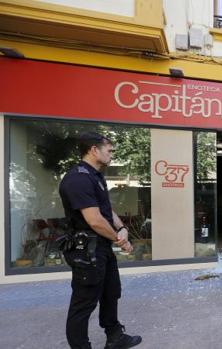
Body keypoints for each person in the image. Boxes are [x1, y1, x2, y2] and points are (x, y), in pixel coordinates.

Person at [59, 132, 142, 349]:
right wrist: (120, 240)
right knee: (83, 304)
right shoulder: (77, 179)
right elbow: (94, 220)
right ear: (94, 150)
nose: (111, 154)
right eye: (109, 150)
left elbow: (105, 210)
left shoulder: (96, 176)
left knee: (110, 292)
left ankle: (115, 337)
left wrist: (122, 227)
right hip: (87, 250)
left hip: (102, 247)